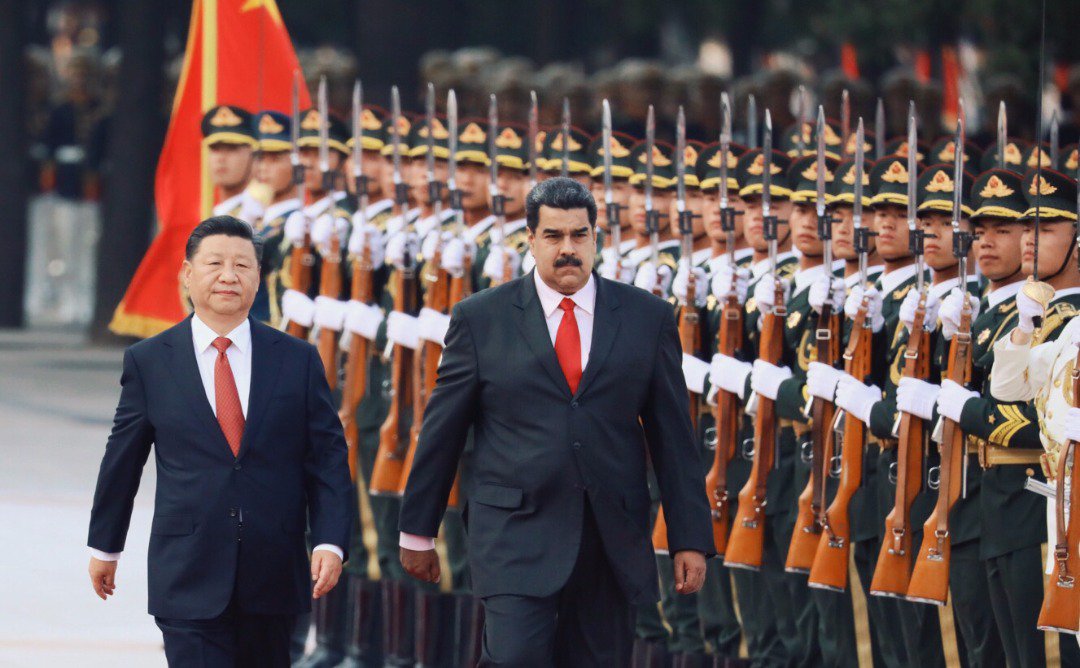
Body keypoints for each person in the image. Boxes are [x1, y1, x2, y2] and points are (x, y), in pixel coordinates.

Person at [398, 177, 713, 666]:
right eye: (553, 236)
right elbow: (443, 431)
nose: (568, 248)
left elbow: (674, 438)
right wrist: (418, 531)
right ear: (530, 238)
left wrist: (689, 538)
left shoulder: (646, 317)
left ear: (595, 237)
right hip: (514, 534)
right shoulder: (481, 319)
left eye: (579, 235)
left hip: (610, 539)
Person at [86, 216, 354, 667]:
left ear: (258, 278)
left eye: (242, 265)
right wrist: (105, 546)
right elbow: (122, 461)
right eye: (215, 263)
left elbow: (327, 459)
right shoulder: (150, 361)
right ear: (187, 273)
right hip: (187, 570)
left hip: (272, 572)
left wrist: (330, 541)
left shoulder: (298, 360)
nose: (229, 275)